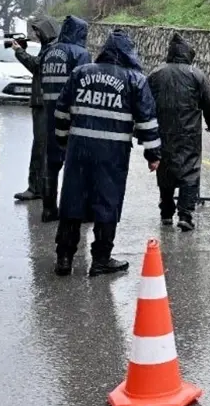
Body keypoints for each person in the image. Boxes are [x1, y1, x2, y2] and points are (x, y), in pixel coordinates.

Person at [52, 29, 161, 277]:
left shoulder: (81, 73)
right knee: (107, 203)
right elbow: (147, 120)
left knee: (72, 201)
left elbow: (61, 110)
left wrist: (62, 141)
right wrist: (153, 155)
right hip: (111, 154)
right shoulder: (135, 80)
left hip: (79, 150)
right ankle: (100, 259)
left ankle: (64, 258)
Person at [147, 33, 210, 231]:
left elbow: (144, 102)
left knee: (165, 171)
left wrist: (144, 130)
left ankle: (166, 212)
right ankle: (185, 214)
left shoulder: (156, 74)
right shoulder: (196, 75)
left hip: (163, 133)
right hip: (189, 134)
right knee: (189, 171)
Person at [37, 15, 91, 223]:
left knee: (51, 163)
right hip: (73, 116)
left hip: (50, 112)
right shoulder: (80, 53)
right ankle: (77, 211)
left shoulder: (49, 52)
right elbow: (85, 83)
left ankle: (48, 209)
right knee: (77, 165)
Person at [10, 15, 59, 202]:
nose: (37, 35)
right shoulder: (49, 49)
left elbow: (36, 66)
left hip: (43, 103)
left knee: (40, 147)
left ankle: (36, 188)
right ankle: (41, 187)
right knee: (42, 147)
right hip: (43, 102)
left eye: (39, 32)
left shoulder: (51, 50)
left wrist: (19, 51)